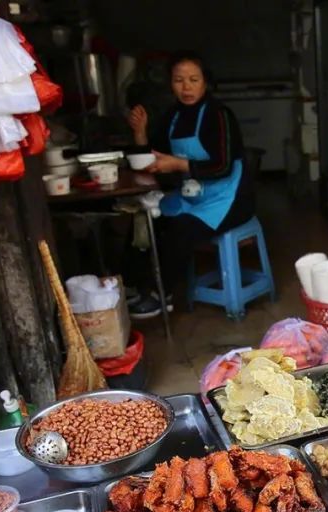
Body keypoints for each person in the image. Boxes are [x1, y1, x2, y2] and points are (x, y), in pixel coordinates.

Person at [126, 52, 254, 318]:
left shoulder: (219, 115)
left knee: (180, 228)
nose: (186, 87)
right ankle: (139, 285)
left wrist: (179, 165)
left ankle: (162, 295)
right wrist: (140, 134)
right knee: (146, 220)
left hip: (229, 198)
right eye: (179, 80)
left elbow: (223, 166)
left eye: (194, 79)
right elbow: (155, 158)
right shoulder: (172, 116)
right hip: (192, 194)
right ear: (171, 84)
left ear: (205, 82)